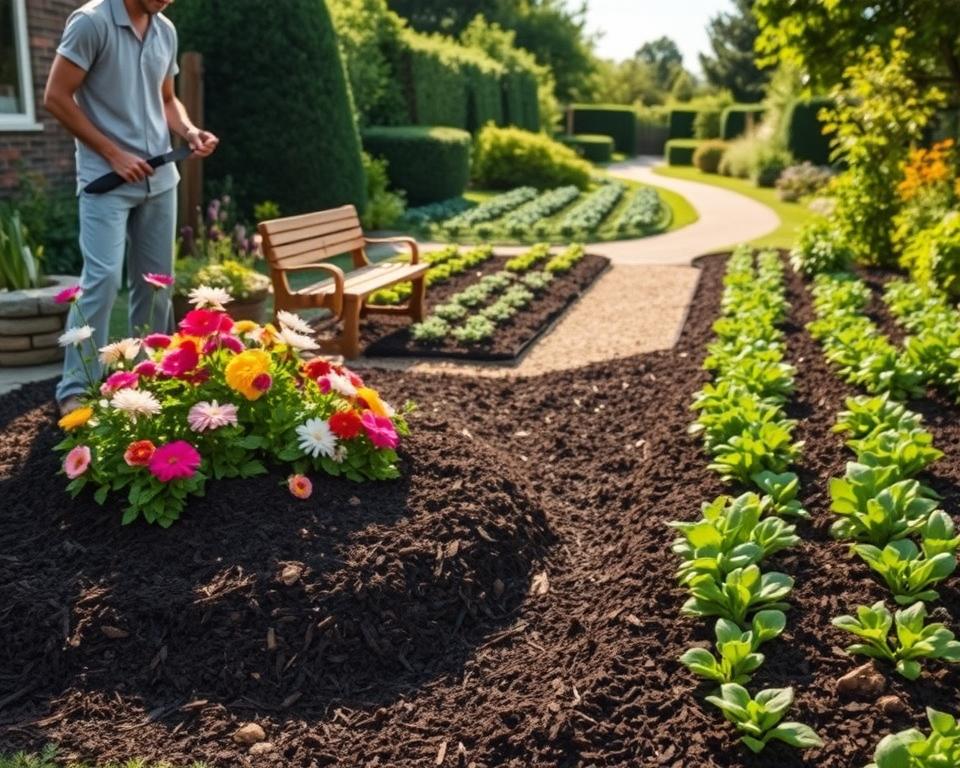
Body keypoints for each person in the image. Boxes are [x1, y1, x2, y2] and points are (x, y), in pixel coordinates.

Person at [44, 0, 218, 416]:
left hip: (160, 181)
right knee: (102, 280)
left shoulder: (165, 30)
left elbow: (167, 98)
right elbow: (56, 96)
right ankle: (78, 387)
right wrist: (112, 153)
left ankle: (148, 374)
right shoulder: (91, 23)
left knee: (158, 285)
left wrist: (189, 131)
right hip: (106, 182)